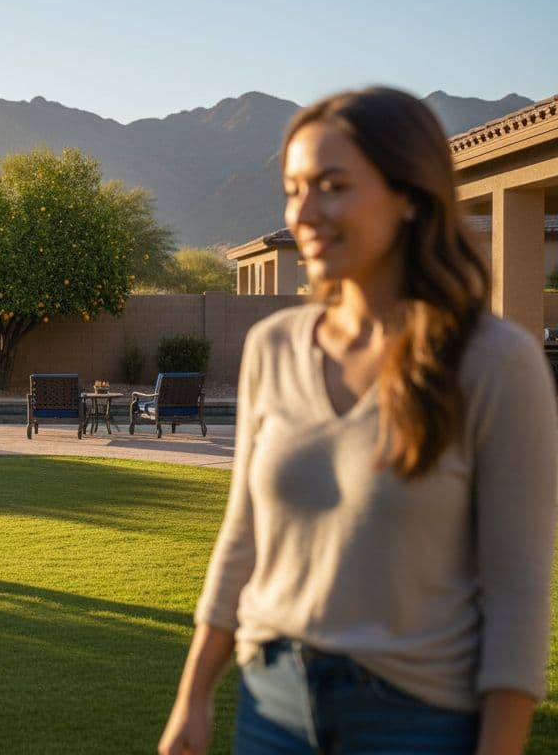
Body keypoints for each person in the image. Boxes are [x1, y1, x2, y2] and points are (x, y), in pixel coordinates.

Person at [159, 87, 557, 755]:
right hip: (271, 708)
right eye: (293, 190)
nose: (304, 213)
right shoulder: (273, 347)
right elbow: (242, 538)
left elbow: (517, 593)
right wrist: (192, 699)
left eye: (332, 186)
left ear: (409, 195)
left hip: (419, 720)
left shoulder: (495, 362)